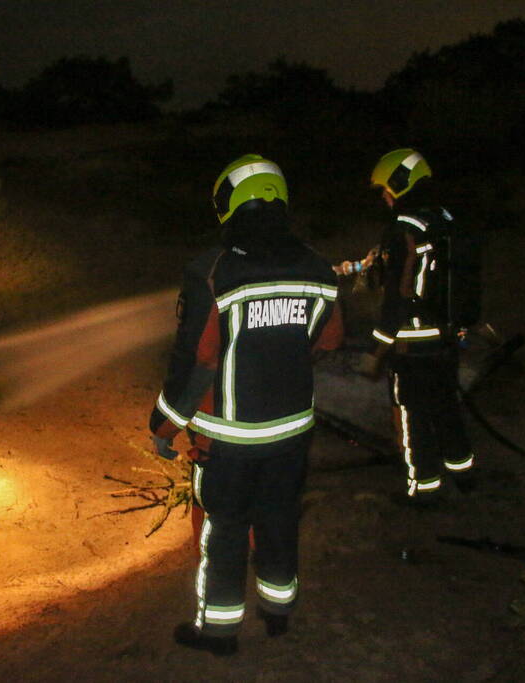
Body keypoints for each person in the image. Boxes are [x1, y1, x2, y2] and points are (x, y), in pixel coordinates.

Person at [149, 154, 343, 655]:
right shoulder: (317, 265)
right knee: (279, 520)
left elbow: (198, 359)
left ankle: (218, 632)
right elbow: (330, 339)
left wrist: (164, 425)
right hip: (293, 433)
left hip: (229, 441)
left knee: (226, 530)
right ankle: (278, 613)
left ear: (229, 202)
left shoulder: (213, 270)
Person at [366, 149, 477, 503]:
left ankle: (424, 487)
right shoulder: (446, 219)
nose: (384, 197)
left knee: (414, 417)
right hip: (446, 337)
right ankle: (464, 472)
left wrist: (378, 349)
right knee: (446, 406)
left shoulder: (403, 230)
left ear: (400, 185)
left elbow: (396, 296)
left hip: (412, 343)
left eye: (386, 189)